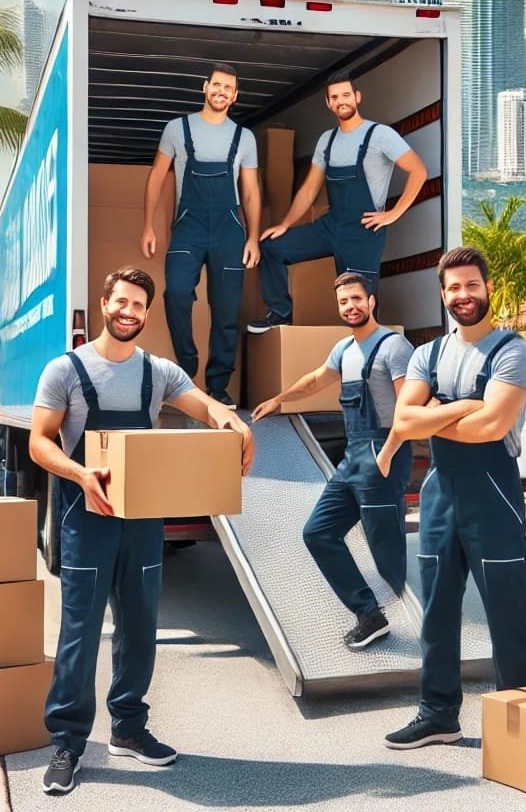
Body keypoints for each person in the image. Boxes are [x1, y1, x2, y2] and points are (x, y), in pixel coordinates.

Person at [29, 266, 254, 795]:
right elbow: (41, 442)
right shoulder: (65, 370)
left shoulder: (159, 372)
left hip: (142, 518)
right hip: (85, 517)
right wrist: (80, 474)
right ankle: (67, 742)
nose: (129, 312)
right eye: (121, 302)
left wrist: (234, 424)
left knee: (139, 627)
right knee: (80, 634)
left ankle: (128, 728)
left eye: (138, 306)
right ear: (104, 303)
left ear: (146, 313)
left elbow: (204, 406)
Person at [373, 247, 526, 750]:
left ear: (488, 288)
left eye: (471, 285)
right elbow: (403, 422)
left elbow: (493, 426)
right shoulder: (427, 354)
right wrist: (467, 406)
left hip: (494, 493)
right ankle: (439, 714)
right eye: (453, 288)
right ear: (442, 294)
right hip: (440, 492)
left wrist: (442, 411)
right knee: (438, 611)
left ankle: (523, 723)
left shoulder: (513, 351)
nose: (462, 295)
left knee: (507, 613)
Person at [252, 272, 414, 648]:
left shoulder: (394, 346)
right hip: (353, 455)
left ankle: (421, 624)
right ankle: (369, 614)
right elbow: (315, 380)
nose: (350, 307)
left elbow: (409, 408)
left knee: (386, 551)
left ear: (372, 301)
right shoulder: (344, 350)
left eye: (356, 299)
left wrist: (387, 455)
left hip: (383, 450)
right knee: (318, 533)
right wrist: (280, 399)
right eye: (343, 301)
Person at [246, 72, 427, 333]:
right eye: (334, 97)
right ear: (328, 104)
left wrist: (393, 213)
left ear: (357, 97)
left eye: (346, 95)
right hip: (332, 225)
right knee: (272, 247)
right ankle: (280, 314)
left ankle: (367, 361)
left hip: (364, 231)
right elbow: (309, 189)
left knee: (359, 302)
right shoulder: (326, 141)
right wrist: (285, 224)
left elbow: (418, 170)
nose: (341, 101)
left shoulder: (380, 135)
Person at [141, 63, 260, 407]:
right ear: (205, 87)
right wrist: (148, 225)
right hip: (189, 226)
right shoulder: (177, 129)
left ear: (235, 96)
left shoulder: (244, 137)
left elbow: (250, 191)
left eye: (229, 89)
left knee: (226, 311)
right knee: (176, 293)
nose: (221, 92)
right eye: (217, 85)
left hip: (229, 230)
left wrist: (252, 238)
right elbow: (156, 176)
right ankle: (187, 367)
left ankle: (218, 386)